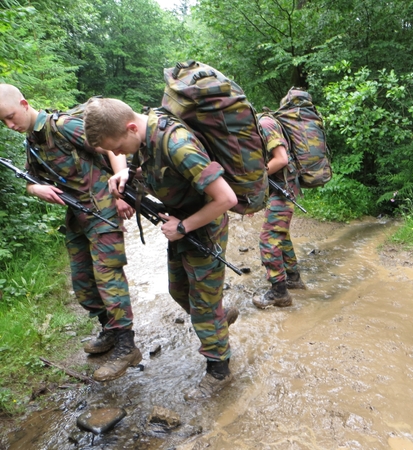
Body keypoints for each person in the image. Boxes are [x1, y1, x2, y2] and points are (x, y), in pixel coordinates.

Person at [83, 97, 239, 399]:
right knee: (179, 290)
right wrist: (128, 172)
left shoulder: (178, 145)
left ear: (130, 127)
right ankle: (218, 320)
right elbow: (156, 171)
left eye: (116, 147)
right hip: (183, 224)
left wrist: (183, 227)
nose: (116, 154)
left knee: (203, 304)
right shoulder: (144, 136)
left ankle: (219, 371)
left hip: (203, 228)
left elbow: (226, 199)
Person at [0, 84, 141, 382]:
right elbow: (30, 180)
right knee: (82, 281)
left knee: (108, 275)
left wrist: (120, 187)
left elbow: (111, 147)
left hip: (103, 206)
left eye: (11, 116)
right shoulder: (32, 143)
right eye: (4, 122)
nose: (10, 125)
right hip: (77, 214)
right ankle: (109, 330)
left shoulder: (64, 126)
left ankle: (127, 345)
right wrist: (36, 188)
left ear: (24, 104)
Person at [252, 113, 306, 310]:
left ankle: (280, 293)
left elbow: (281, 159)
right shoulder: (254, 128)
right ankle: (293, 277)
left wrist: (254, 181)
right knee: (280, 234)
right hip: (279, 187)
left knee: (269, 238)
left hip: (285, 188)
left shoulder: (264, 124)